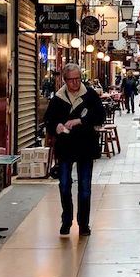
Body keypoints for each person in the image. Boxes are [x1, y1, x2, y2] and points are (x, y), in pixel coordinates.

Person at [43, 63, 106, 237]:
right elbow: (48, 120)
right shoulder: (58, 98)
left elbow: (100, 115)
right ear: (65, 80)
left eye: (78, 79)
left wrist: (80, 121)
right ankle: (66, 221)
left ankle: (83, 224)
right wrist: (57, 126)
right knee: (64, 185)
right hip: (65, 148)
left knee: (85, 188)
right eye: (71, 80)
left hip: (85, 146)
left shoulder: (90, 95)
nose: (75, 83)